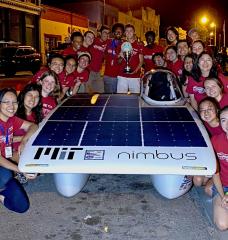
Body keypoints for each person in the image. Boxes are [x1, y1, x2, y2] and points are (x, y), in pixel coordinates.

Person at [0, 88, 38, 213]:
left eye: (14, 102)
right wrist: (21, 169)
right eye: (7, 102)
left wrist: (24, 140)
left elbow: (33, 126)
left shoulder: (11, 120)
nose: (12, 106)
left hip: (5, 161)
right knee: (6, 175)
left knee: (22, 206)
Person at [211, 106, 228, 231]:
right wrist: (223, 196)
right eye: (223, 120)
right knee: (222, 225)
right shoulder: (215, 141)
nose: (227, 124)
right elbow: (215, 173)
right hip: (223, 186)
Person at [117, 24, 144, 94]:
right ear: (125, 33)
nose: (129, 32)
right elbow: (118, 61)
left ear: (134, 32)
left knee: (135, 98)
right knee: (121, 97)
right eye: (127, 31)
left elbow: (141, 61)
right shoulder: (121, 44)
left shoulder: (139, 45)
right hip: (122, 76)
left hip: (135, 76)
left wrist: (135, 71)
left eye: (131, 31)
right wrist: (120, 56)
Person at [87, 25, 110, 93]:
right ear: (100, 33)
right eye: (105, 32)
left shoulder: (108, 42)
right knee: (87, 94)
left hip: (98, 72)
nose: (107, 35)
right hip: (89, 71)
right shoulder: (93, 40)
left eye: (108, 33)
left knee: (101, 93)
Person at [103, 22, 124, 93]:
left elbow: (120, 61)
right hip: (106, 75)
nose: (118, 32)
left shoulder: (124, 44)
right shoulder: (108, 42)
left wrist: (121, 56)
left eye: (120, 31)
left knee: (112, 97)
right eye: (116, 31)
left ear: (122, 33)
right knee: (106, 96)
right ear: (113, 32)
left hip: (116, 76)